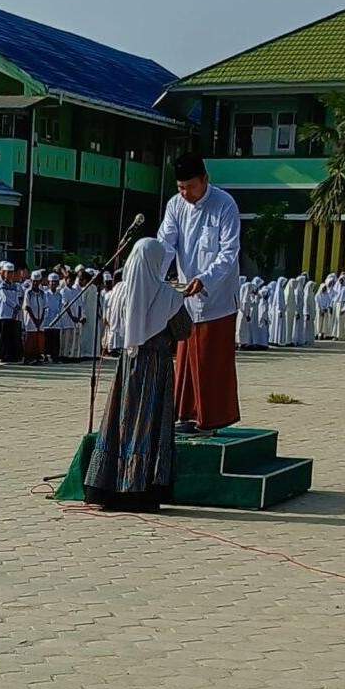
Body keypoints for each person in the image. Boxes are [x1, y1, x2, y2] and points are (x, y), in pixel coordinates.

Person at [84, 237, 191, 512]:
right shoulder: (168, 295)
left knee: (123, 419)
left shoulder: (119, 291)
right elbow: (184, 330)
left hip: (127, 364)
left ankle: (108, 486)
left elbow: (116, 326)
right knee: (148, 421)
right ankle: (140, 489)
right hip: (155, 365)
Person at [156, 155, 242, 434]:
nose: (185, 193)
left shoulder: (224, 205)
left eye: (190, 187)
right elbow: (165, 243)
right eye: (181, 187)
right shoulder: (175, 205)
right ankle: (185, 414)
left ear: (205, 180)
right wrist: (154, 270)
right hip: (184, 296)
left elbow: (229, 253)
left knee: (210, 360)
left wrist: (204, 280)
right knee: (184, 359)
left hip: (216, 298)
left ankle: (212, 420)